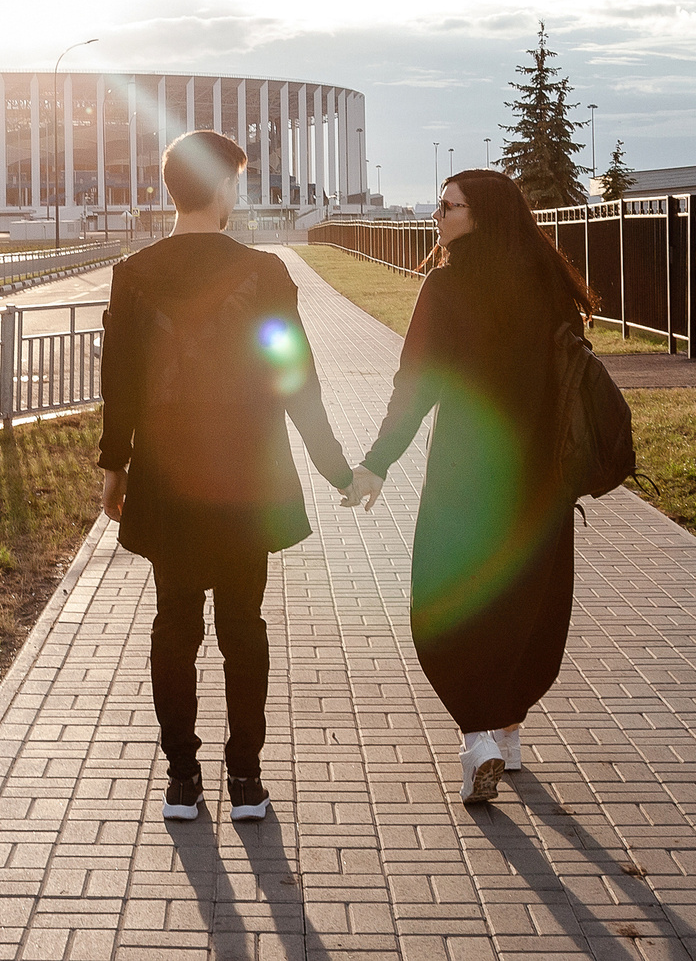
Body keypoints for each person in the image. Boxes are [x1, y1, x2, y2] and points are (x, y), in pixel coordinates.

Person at [98, 130, 355, 824]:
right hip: (245, 478)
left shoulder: (133, 274)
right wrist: (337, 470)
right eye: (236, 182)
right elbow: (298, 383)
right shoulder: (264, 273)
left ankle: (182, 780)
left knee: (173, 623)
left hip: (166, 477)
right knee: (243, 625)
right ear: (221, 189)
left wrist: (113, 468)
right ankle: (246, 780)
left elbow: (118, 385)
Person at [342, 167, 596, 803]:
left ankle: (478, 735)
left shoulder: (449, 286)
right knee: (527, 599)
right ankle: (507, 732)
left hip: (466, 469)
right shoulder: (548, 282)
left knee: (445, 597)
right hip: (541, 471)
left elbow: (417, 382)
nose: (438, 216)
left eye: (449, 207)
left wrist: (378, 460)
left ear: (480, 215)